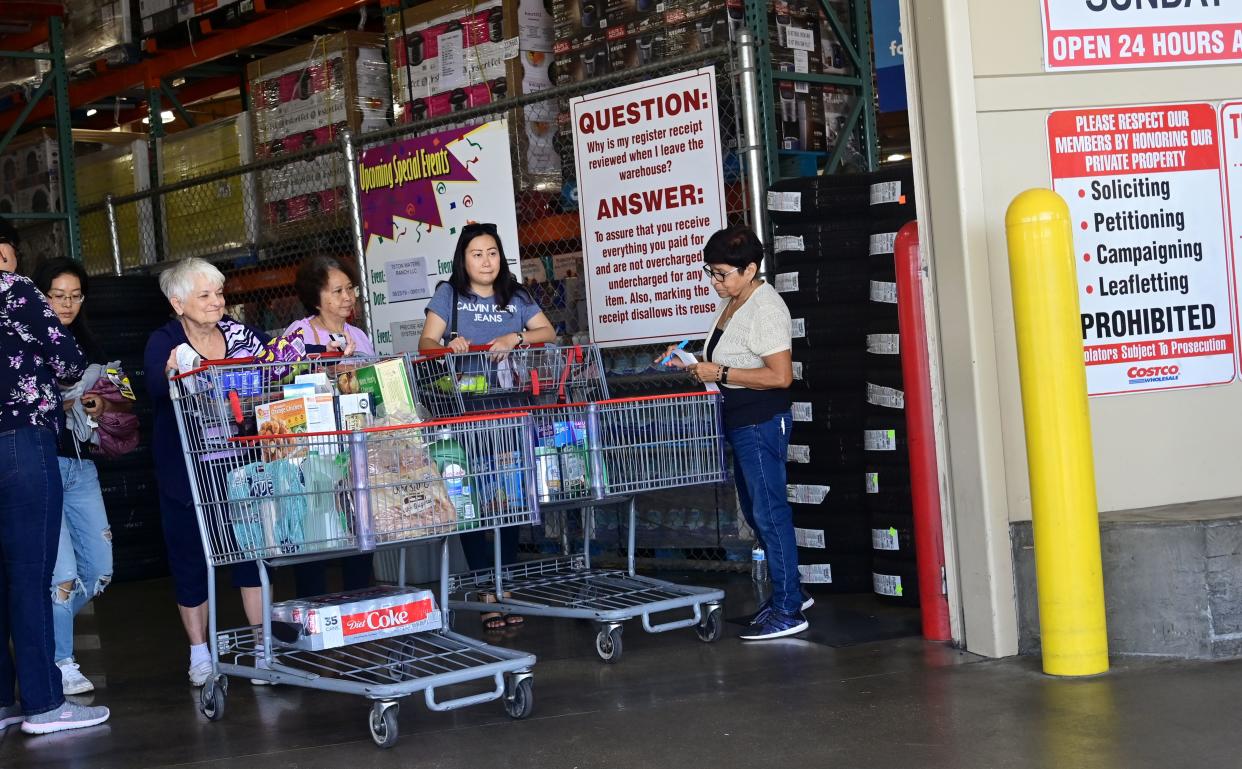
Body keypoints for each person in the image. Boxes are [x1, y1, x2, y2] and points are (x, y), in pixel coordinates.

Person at [665, 225, 810, 641]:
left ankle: (788, 608)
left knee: (769, 512)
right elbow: (725, 357)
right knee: (754, 511)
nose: (715, 282)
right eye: (710, 273)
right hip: (739, 420)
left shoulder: (765, 308)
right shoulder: (734, 302)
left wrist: (721, 372)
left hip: (761, 421)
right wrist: (692, 362)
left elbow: (780, 376)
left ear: (750, 270)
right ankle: (791, 593)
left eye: (722, 274)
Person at [0, 223, 110, 734]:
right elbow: (68, 365)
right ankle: (44, 703)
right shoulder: (17, 290)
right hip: (20, 443)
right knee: (31, 574)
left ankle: (2, 702)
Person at [419, 222, 555, 630]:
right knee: (472, 504)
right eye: (477, 253)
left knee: (509, 501)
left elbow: (547, 331)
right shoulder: (449, 295)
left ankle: (506, 587)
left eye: (492, 252)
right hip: (465, 416)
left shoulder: (515, 296)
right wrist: (448, 346)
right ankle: (485, 592)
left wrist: (516, 337)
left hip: (511, 412)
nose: (486, 260)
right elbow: (426, 344)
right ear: (464, 259)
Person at [143, 258, 270, 686]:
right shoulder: (164, 340)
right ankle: (199, 652)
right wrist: (174, 372)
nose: (217, 302)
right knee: (190, 558)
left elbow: (276, 366)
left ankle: (261, 646)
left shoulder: (240, 333)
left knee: (251, 551)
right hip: (187, 468)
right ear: (177, 302)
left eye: (219, 293)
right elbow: (157, 385)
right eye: (205, 295)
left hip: (242, 462)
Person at [32, 259, 118, 696]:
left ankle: (39, 628)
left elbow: (116, 395)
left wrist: (99, 405)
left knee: (100, 571)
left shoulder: (89, 342)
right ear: (40, 296)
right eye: (57, 295)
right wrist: (58, 405)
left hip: (82, 464)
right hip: (40, 464)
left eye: (75, 295)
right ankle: (61, 660)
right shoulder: (23, 339)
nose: (66, 303)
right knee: (61, 573)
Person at [284, 255, 372, 596]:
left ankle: (359, 597)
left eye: (350, 289)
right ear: (316, 297)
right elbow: (280, 384)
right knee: (314, 521)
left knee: (356, 515)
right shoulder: (299, 334)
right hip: (313, 445)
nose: (347, 297)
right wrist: (328, 367)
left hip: (353, 440)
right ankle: (313, 602)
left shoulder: (359, 337)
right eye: (337, 291)